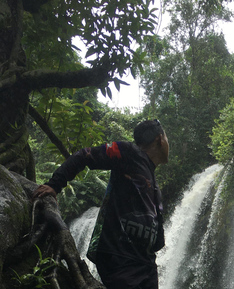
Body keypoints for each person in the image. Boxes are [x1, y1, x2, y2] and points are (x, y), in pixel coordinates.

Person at [33, 119, 169, 289]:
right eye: (167, 137)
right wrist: (55, 185)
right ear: (160, 139)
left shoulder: (154, 184)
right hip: (120, 256)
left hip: (146, 264)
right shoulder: (129, 152)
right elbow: (85, 155)